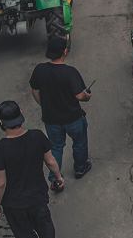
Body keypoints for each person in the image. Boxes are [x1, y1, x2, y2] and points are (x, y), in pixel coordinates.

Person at [0, 100, 66, 238]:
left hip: (14, 204)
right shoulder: (37, 136)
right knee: (45, 225)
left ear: (1, 122)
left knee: (24, 234)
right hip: (37, 196)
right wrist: (59, 177)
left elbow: (0, 183)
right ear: (21, 115)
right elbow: (50, 161)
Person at [30, 36, 92, 185]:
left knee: (56, 147)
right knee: (79, 143)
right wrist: (87, 96)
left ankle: (55, 178)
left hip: (51, 119)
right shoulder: (70, 72)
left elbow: (35, 90)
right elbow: (80, 96)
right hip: (73, 118)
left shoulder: (40, 70)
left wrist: (44, 105)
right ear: (65, 51)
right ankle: (80, 168)